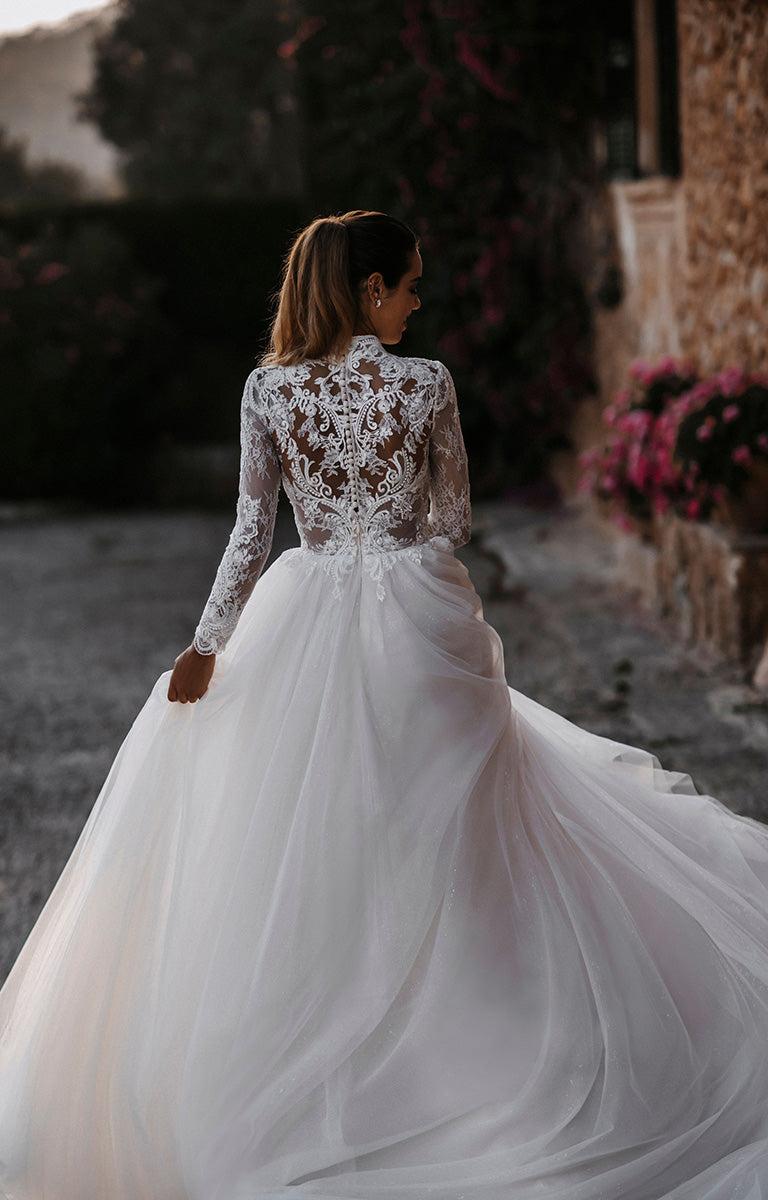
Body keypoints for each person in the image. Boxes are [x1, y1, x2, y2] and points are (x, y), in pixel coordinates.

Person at [1, 209, 768, 1200]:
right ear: (369, 291)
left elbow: (249, 534)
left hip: (299, 609)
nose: (416, 301)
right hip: (415, 616)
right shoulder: (426, 383)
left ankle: (338, 1043)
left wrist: (205, 648)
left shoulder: (267, 388)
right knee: (448, 832)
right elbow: (452, 516)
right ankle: (476, 1039)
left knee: (310, 837)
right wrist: (392, 523)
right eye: (407, 285)